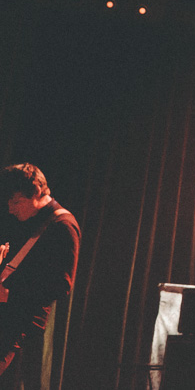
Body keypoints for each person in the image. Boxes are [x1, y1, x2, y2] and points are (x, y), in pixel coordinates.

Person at [0, 163, 80, 390]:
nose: (10, 209)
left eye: (16, 202)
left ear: (36, 193)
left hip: (22, 326)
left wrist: (9, 293)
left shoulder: (63, 226)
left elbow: (61, 285)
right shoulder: (26, 219)